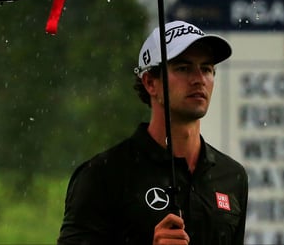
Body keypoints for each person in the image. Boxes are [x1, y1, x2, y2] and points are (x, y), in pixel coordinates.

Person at [57, 20, 249, 245]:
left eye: (206, 69)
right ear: (150, 83)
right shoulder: (102, 175)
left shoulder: (232, 176)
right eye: (183, 68)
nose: (199, 79)